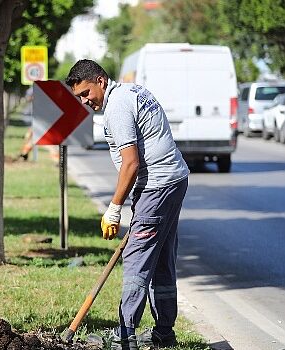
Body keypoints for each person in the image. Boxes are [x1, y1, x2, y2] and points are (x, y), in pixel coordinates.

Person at [65, 59, 189, 350]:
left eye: (86, 93)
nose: (85, 101)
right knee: (161, 258)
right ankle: (164, 334)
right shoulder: (134, 92)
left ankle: (124, 335)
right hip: (174, 180)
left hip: (157, 185)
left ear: (100, 81)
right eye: (79, 98)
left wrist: (114, 208)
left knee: (136, 260)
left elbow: (131, 163)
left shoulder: (117, 106)